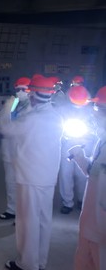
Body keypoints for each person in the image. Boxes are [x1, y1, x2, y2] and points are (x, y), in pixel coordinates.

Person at [0, 75, 64, 270]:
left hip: (29, 178)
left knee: (28, 222)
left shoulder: (31, 119)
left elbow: (3, 126)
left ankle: (27, 264)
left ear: (33, 94)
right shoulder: (56, 116)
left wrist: (12, 101)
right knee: (43, 221)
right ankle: (40, 261)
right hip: (48, 177)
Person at [70, 86, 106, 270]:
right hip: (89, 223)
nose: (94, 115)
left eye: (98, 109)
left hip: (101, 230)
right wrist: (78, 154)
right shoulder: (102, 139)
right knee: (83, 261)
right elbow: (94, 173)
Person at [0, 76, 32, 220]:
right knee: (10, 182)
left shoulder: (33, 106)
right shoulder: (12, 103)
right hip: (9, 150)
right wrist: (7, 109)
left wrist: (9, 128)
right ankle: (12, 210)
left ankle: (24, 215)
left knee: (25, 184)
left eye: (24, 89)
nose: (21, 92)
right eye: (18, 89)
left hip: (25, 151)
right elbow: (1, 124)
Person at [58, 85, 94, 214]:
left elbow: (96, 127)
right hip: (67, 143)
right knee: (65, 174)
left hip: (85, 143)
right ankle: (67, 202)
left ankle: (82, 200)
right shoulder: (62, 110)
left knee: (83, 174)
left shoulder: (91, 110)